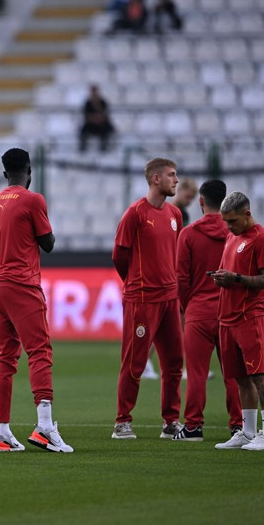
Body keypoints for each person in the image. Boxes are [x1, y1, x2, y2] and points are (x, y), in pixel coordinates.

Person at [0, 148, 74, 453]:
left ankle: (2, 432)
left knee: (5, 359)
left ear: (5, 173)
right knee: (39, 351)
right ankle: (44, 427)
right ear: (29, 171)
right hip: (21, 283)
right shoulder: (34, 200)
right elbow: (48, 244)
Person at [111, 158, 184, 440]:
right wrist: (135, 284)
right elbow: (119, 255)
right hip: (141, 299)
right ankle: (122, 422)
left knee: (174, 361)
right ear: (156, 179)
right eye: (171, 175)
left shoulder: (175, 214)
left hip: (169, 298)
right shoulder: (135, 214)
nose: (176, 180)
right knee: (135, 362)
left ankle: (170, 422)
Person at [173, 179, 242, 442]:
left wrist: (187, 306)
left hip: (198, 312)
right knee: (234, 374)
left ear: (201, 201)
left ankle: (192, 427)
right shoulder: (235, 233)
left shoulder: (188, 234)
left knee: (197, 373)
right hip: (229, 311)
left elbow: (181, 279)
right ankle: (239, 425)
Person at [212, 192, 264, 451]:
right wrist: (221, 277)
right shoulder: (232, 236)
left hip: (250, 316)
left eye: (232, 221)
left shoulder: (261, 239)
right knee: (240, 378)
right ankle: (248, 432)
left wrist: (237, 279)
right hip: (227, 318)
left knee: (260, 377)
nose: (228, 226)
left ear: (247, 214)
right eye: (226, 221)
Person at [78, 85, 115, 152]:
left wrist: (99, 116)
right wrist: (94, 118)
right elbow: (86, 116)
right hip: (91, 124)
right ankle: (83, 148)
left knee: (106, 130)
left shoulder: (102, 102)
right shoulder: (88, 103)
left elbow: (105, 114)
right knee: (83, 131)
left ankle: (104, 148)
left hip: (101, 124)